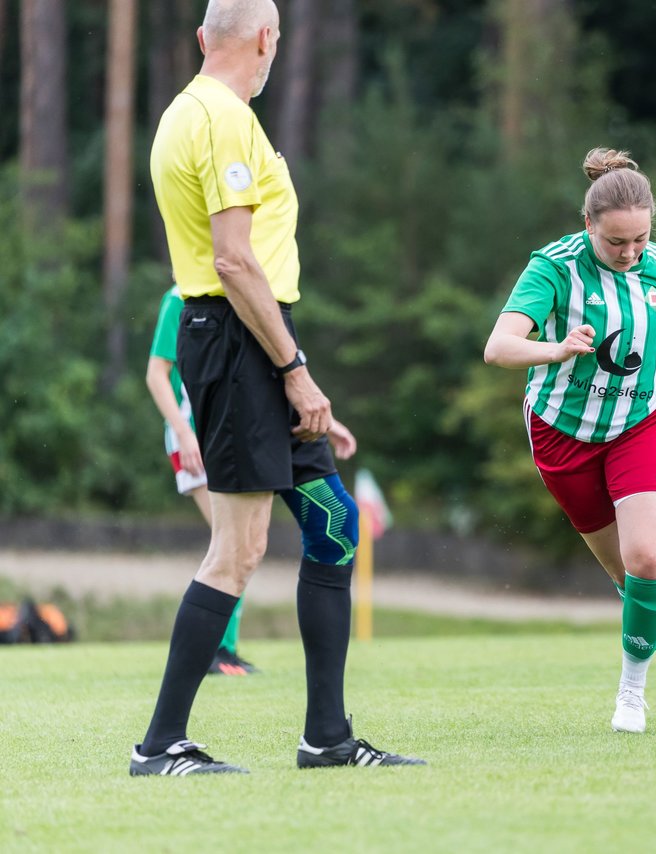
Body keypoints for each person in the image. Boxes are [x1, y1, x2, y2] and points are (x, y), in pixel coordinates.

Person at [131, 0, 422, 775]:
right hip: (237, 342)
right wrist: (294, 373)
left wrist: (298, 376)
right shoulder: (222, 117)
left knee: (332, 526)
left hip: (255, 341)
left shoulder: (179, 113)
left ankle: (327, 736)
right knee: (239, 549)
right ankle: (159, 745)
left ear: (202, 38)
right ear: (266, 40)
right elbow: (232, 260)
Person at [484, 148, 656, 733]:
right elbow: (498, 348)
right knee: (626, 574)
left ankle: (632, 693)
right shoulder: (553, 269)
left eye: (640, 241)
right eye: (616, 244)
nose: (630, 254)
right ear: (588, 227)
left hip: (645, 420)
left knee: (649, 558)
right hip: (563, 436)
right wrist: (554, 349)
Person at [144, 282, 361, 676]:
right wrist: (183, 432)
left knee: (240, 547)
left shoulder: (253, 291)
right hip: (199, 437)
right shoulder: (183, 296)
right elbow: (157, 374)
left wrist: (327, 422)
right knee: (232, 547)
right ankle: (214, 652)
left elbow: (278, 374)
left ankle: (223, 649)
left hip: (241, 428)